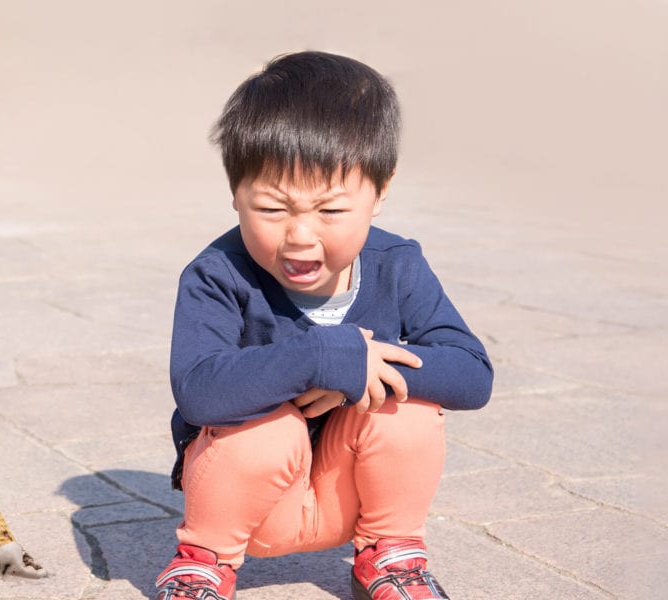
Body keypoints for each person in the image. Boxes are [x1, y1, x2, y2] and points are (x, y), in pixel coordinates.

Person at [154, 51, 493, 600]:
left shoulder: (397, 263)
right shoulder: (216, 274)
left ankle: (391, 556)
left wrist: (360, 365)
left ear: (380, 192)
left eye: (330, 211)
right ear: (236, 191)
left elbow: (473, 376)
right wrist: (319, 358)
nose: (300, 236)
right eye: (271, 208)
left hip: (349, 497)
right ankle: (202, 563)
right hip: (253, 510)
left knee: (405, 405)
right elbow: (198, 392)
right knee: (266, 427)